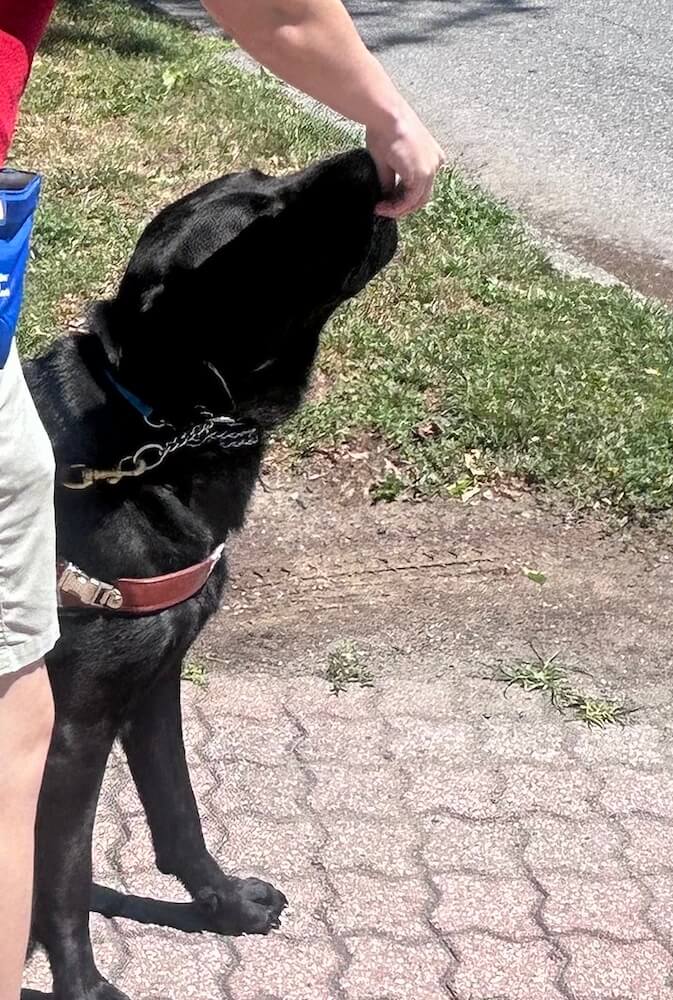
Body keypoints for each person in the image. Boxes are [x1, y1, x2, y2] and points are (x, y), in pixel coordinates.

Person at [0, 1, 444, 997]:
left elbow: (143, 671)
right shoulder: (117, 485)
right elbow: (81, 735)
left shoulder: (168, 430)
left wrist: (198, 875)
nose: (307, 193)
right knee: (36, 726)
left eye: (271, 198)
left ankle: (181, 865)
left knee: (135, 662)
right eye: (277, 229)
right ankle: (64, 965)